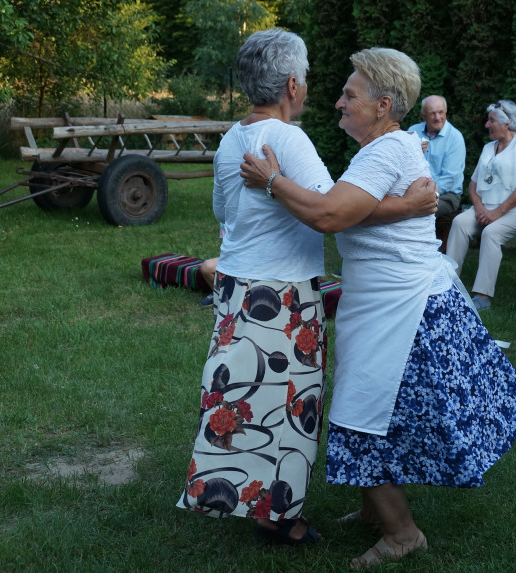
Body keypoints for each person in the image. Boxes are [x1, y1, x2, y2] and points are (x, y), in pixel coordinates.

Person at [239, 47, 516, 569]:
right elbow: (354, 209)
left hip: (401, 307)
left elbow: (333, 213)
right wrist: (407, 205)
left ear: (383, 104)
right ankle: (373, 512)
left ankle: (403, 534)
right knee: (378, 410)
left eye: (350, 94)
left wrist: (271, 181)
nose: (337, 102)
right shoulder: (390, 147)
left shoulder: (385, 151)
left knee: (359, 415)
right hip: (390, 300)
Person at [176, 28, 435, 546]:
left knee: (242, 398)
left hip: (237, 287)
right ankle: (279, 518)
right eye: (312, 79)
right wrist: (407, 206)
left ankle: (247, 499)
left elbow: (224, 213)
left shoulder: (233, 137)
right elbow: (332, 210)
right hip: (283, 294)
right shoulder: (289, 139)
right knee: (287, 406)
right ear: (293, 85)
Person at [445, 100, 516, 311]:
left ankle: (482, 296)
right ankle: (448, 283)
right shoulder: (488, 147)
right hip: (486, 208)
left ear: (506, 123)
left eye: (491, 121)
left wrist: (496, 213)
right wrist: (481, 209)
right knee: (460, 222)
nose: (487, 125)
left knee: (491, 232)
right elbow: (473, 184)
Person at [407, 95, 467, 217]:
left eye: (441, 112)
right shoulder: (413, 131)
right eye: (432, 114)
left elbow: (450, 179)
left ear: (446, 113)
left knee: (417, 214)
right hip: (414, 191)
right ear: (422, 115)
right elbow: (405, 164)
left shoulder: (455, 138)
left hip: (446, 195)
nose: (437, 118)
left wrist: (424, 193)